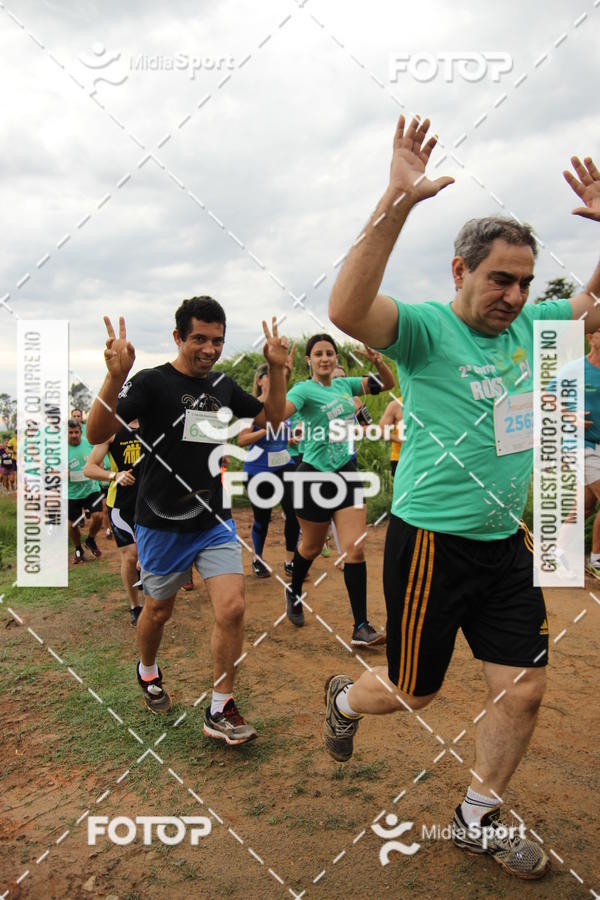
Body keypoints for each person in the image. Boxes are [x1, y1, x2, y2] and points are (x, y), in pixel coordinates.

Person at [323, 114, 600, 879]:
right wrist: (395, 200)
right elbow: (347, 311)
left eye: (521, 280)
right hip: (430, 545)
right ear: (459, 272)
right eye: (497, 279)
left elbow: (588, 305)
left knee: (526, 689)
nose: (512, 294)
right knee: (413, 690)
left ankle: (477, 815)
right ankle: (345, 701)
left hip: (502, 545)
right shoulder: (424, 332)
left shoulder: (536, 328)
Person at [86, 296, 288, 746]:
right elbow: (97, 434)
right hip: (160, 521)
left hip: (213, 519)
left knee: (233, 607)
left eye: (217, 340)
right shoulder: (152, 383)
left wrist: (276, 369)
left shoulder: (222, 384)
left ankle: (221, 708)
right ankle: (148, 668)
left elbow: (272, 417)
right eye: (199, 338)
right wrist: (115, 375)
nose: (209, 349)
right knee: (158, 610)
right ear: (179, 337)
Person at [282, 334, 394, 645]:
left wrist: (379, 362)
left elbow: (386, 385)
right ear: (309, 360)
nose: (325, 358)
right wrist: (282, 376)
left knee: (354, 549)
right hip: (314, 477)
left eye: (329, 353)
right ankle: (294, 590)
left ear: (335, 358)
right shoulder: (303, 390)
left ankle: (361, 626)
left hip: (346, 473)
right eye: (318, 353)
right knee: (312, 548)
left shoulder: (346, 386)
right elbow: (277, 414)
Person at [238, 360, 300, 578]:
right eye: (269, 375)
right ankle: (258, 558)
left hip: (285, 465)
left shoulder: (285, 406)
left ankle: (290, 561)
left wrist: (292, 438)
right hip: (258, 469)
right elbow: (241, 440)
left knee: (294, 512)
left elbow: (285, 435)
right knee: (262, 517)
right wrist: (266, 430)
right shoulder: (251, 407)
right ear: (260, 381)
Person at [84, 420, 144, 625]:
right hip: (121, 506)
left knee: (147, 555)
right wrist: (114, 475)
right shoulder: (112, 430)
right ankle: (135, 606)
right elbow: (89, 468)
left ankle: (152, 593)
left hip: (150, 504)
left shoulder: (153, 423)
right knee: (131, 555)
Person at [67, 419, 104, 563]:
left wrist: (99, 464)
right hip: (71, 493)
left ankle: (90, 540)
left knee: (99, 516)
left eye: (76, 432)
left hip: (91, 488)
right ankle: (78, 549)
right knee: (72, 525)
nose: (74, 435)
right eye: (70, 433)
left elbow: (98, 458)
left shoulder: (88, 444)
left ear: (81, 432)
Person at [378, 398, 404, 477]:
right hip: (400, 458)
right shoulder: (396, 405)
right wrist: (400, 439)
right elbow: (381, 431)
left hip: (426, 457)